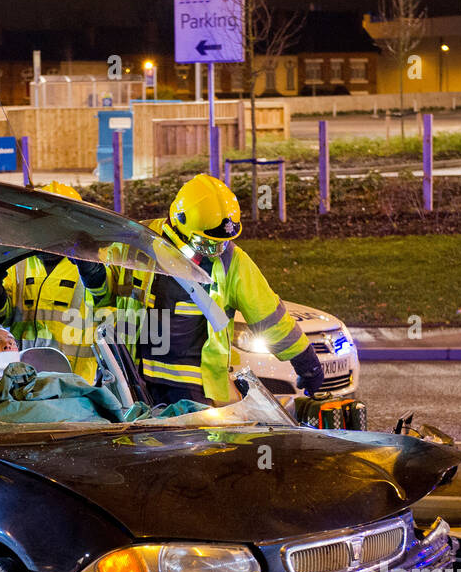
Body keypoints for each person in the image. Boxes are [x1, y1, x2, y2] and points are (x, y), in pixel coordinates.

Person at [104, 174, 323, 406]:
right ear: (179, 223)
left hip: (194, 392)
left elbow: (269, 316)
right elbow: (103, 296)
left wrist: (305, 360)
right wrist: (94, 277)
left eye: (221, 243)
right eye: (206, 243)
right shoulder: (137, 242)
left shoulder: (232, 261)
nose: (215, 251)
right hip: (133, 384)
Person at [0, 182, 107, 382]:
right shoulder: (16, 262)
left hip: (76, 385)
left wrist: (94, 274)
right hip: (21, 381)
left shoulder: (90, 263)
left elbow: (106, 303)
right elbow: (0, 322)